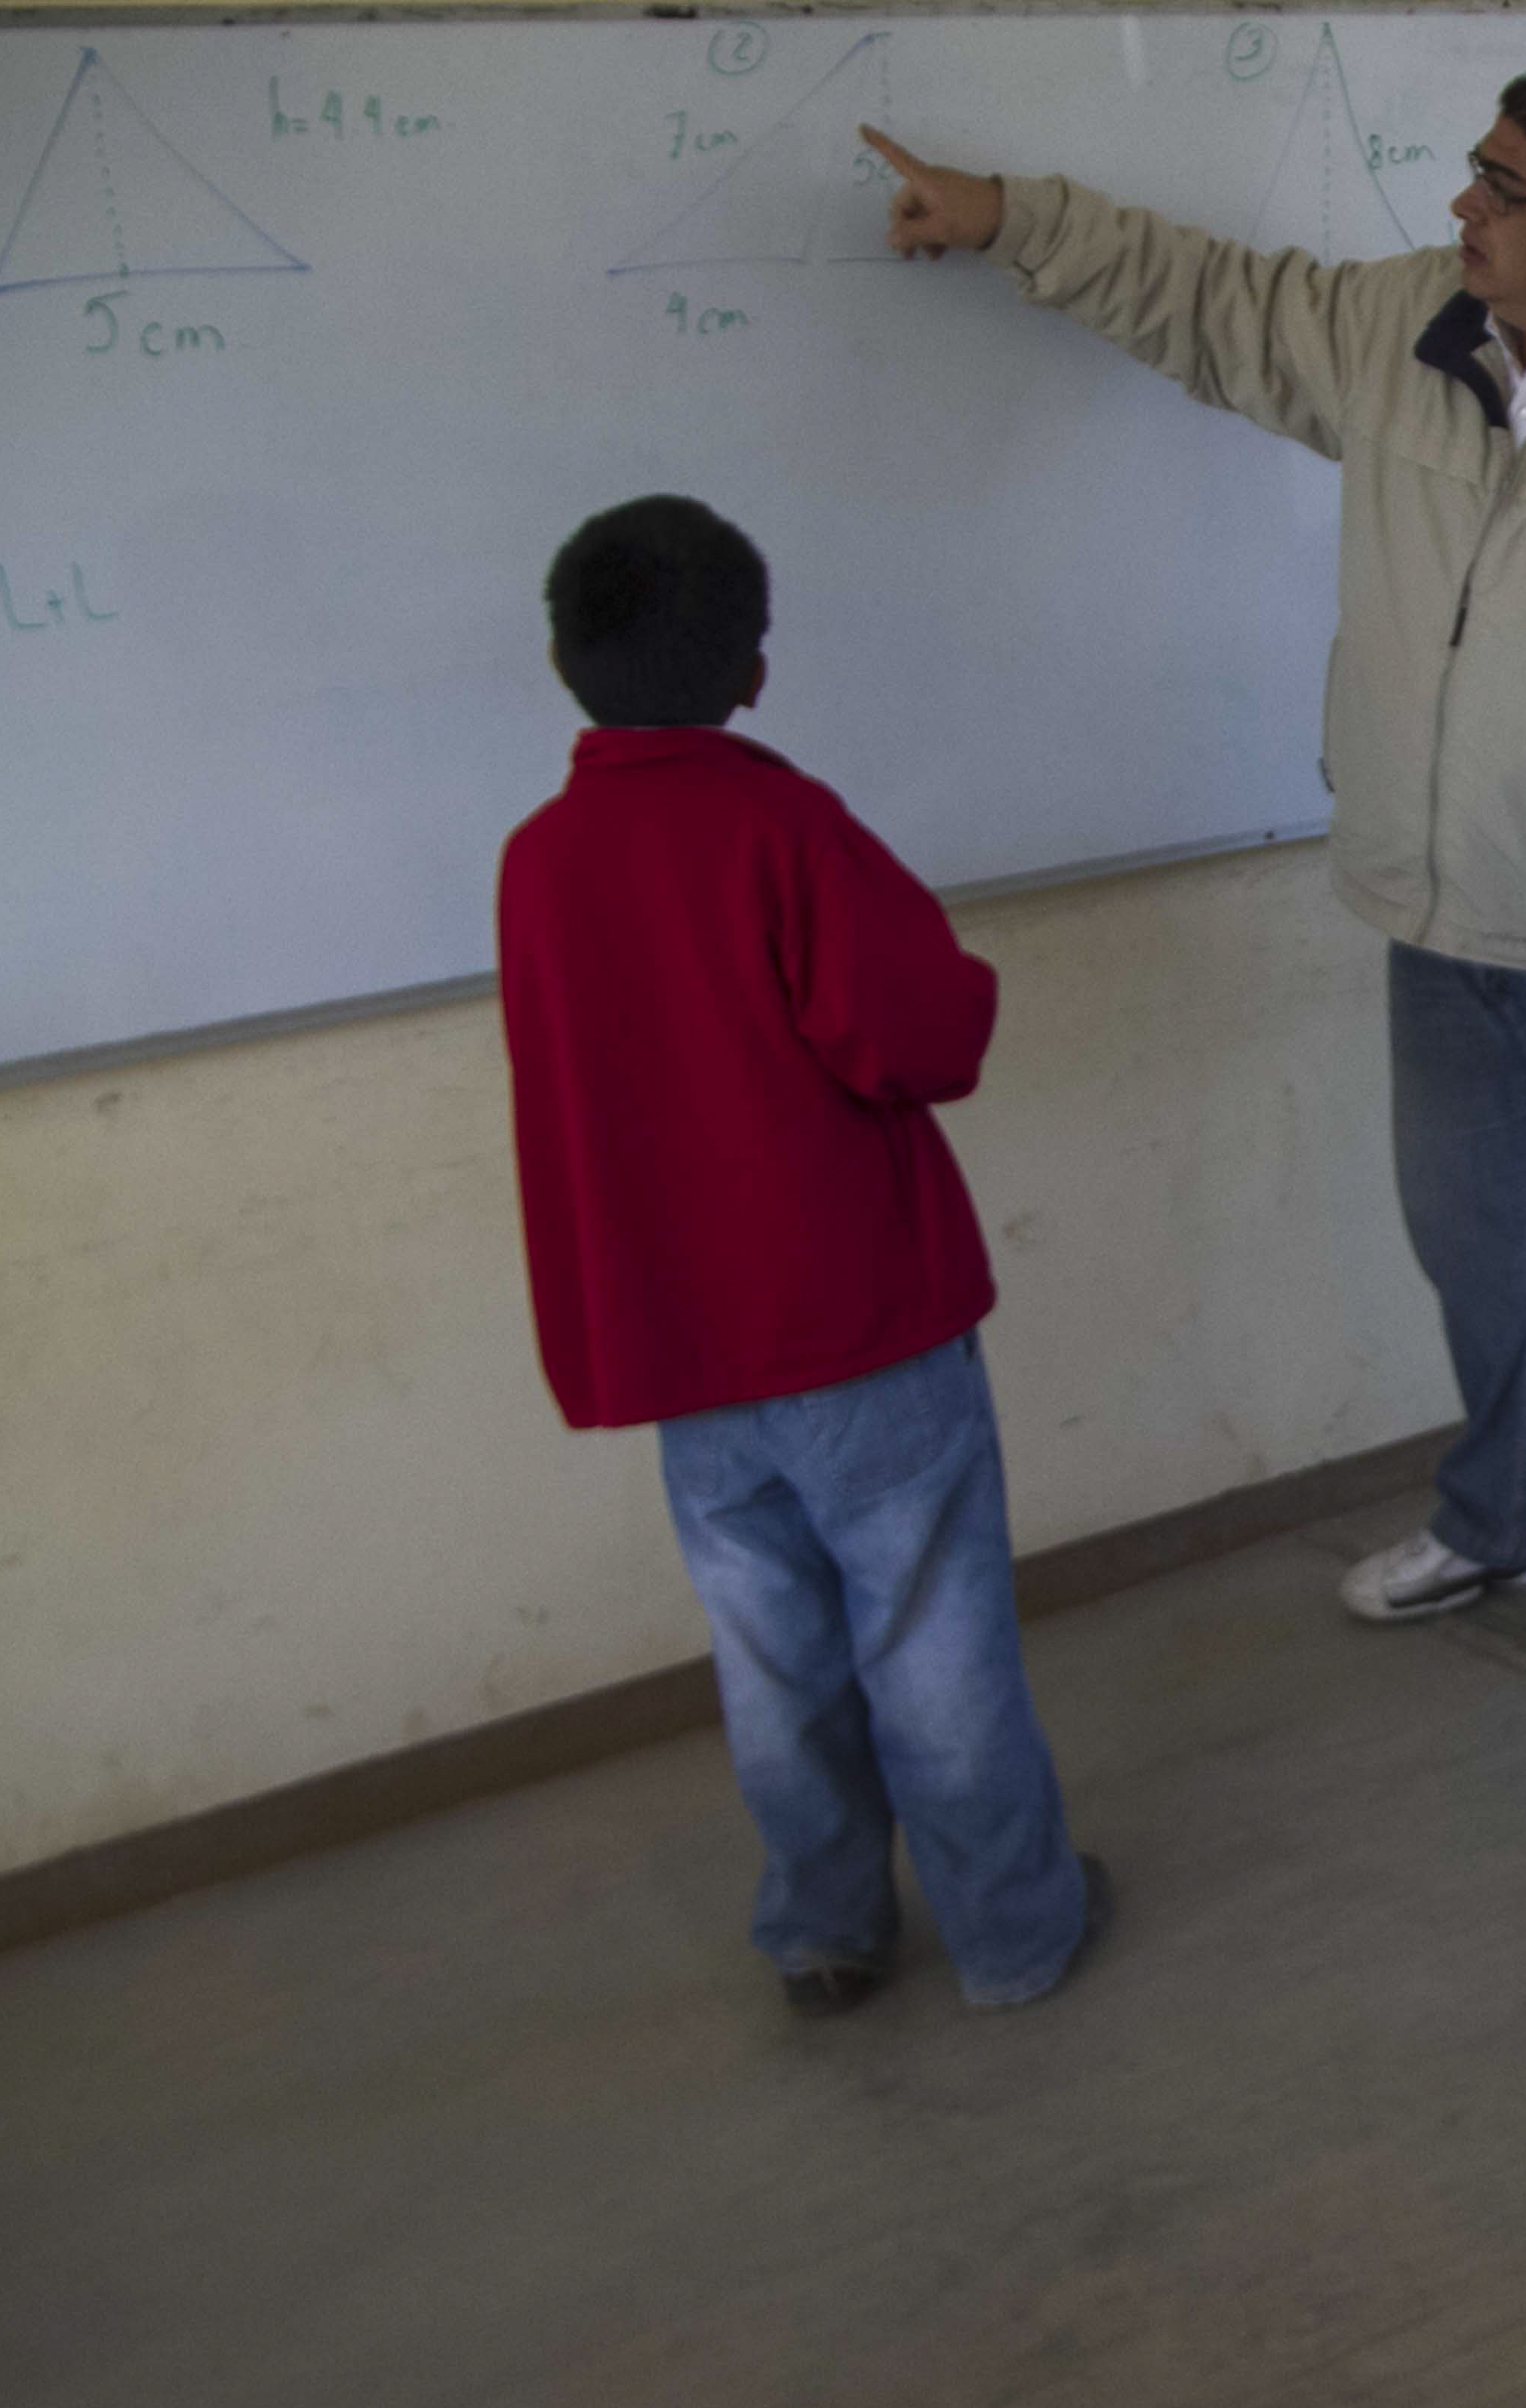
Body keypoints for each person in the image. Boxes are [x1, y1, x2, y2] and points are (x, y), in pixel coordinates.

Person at [863, 59, 1526, 1656]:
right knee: (1476, 1245)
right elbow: (1216, 304)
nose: (1463, 208)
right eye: (1472, 173)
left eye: (1504, 188)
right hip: (1437, 915)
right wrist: (1016, 220)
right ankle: (1517, 1522)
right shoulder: (1412, 331)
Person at [497, 497, 1106, 2017]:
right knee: (930, 1635)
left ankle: (827, 1931)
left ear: (565, 657)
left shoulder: (541, 860)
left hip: (683, 1343)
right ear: (753, 667)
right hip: (854, 1320)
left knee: (769, 1647)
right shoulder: (780, 826)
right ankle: (1016, 1935)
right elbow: (921, 1033)